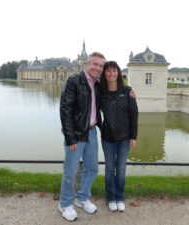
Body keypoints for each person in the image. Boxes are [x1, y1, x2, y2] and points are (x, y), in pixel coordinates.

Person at [59, 52, 106, 221]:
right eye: (95, 64)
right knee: (70, 172)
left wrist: (129, 92)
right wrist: (70, 138)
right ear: (87, 64)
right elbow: (65, 112)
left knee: (92, 168)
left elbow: (114, 92)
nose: (98, 68)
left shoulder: (98, 84)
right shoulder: (73, 81)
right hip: (77, 134)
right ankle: (65, 203)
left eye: (101, 66)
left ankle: (82, 197)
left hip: (92, 132)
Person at [99, 61, 138, 212]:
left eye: (114, 71)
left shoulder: (127, 91)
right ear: (104, 74)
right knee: (109, 169)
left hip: (124, 138)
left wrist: (133, 137)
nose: (111, 74)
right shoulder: (101, 92)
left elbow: (134, 114)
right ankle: (111, 197)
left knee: (120, 169)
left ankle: (120, 197)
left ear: (119, 73)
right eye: (108, 71)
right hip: (108, 137)